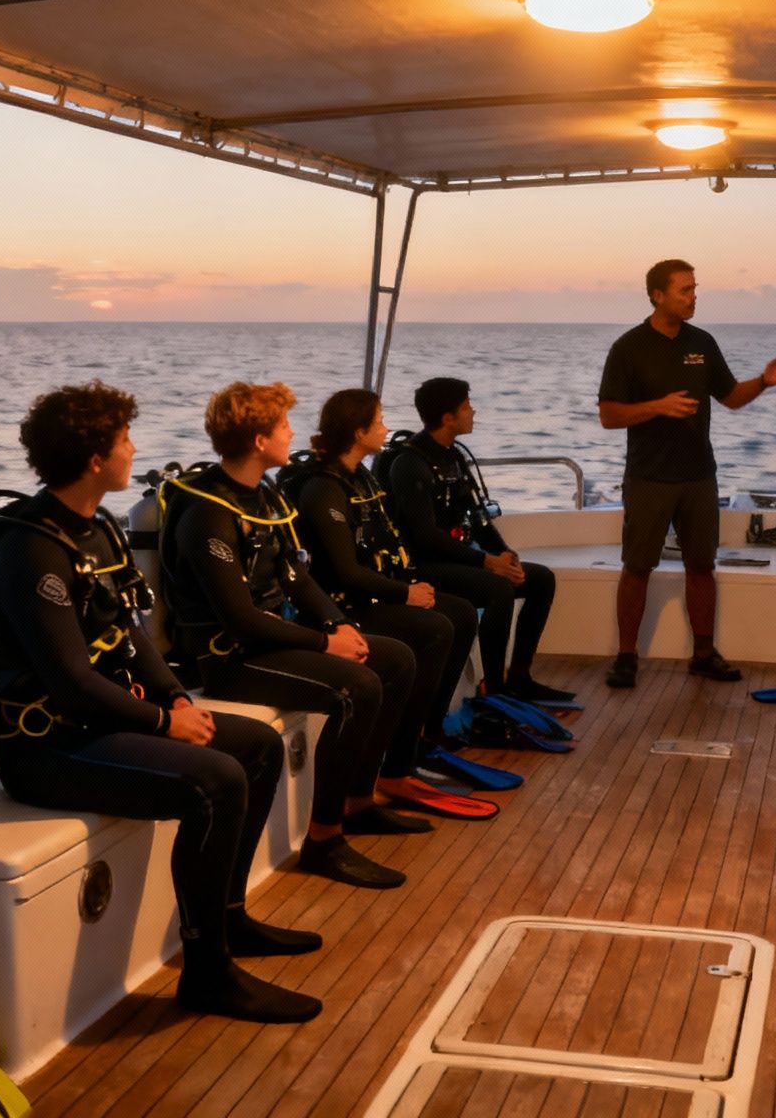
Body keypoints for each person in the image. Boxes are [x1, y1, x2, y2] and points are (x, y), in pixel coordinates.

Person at [0, 381, 321, 1024]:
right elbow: (70, 679)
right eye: (124, 440)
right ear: (97, 457)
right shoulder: (31, 550)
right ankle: (207, 974)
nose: (133, 450)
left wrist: (178, 699)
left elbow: (128, 635)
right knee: (215, 781)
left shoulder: (95, 531)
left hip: (101, 725)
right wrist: (162, 722)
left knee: (257, 748)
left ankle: (230, 922)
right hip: (46, 748)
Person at [159, 381, 421, 892]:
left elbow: (296, 575)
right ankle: (325, 839)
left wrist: (337, 623)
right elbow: (239, 620)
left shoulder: (266, 495)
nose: (293, 432)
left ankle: (360, 800)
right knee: (358, 686)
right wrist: (326, 644)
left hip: (270, 641)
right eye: (282, 425)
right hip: (229, 657)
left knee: (396, 659)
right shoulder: (207, 513)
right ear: (259, 439)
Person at [597, 259, 776, 688]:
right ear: (657, 295)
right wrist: (657, 407)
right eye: (685, 290)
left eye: (695, 289)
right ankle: (626, 657)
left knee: (701, 566)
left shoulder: (702, 343)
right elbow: (609, 415)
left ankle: (704, 654)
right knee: (637, 568)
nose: (694, 297)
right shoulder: (629, 348)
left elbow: (729, 397)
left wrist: (762, 382)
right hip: (649, 477)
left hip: (698, 476)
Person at [288, 388, 490, 817]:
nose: (385, 428)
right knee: (434, 629)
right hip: (342, 609)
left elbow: (385, 548)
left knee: (455, 612)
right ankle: (395, 766)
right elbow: (344, 572)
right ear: (359, 432)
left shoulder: (361, 477)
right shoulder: (323, 489)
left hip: (372, 593)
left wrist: (412, 584)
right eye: (378, 422)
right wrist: (405, 593)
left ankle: (420, 741)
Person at [381, 377, 571, 703]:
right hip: (423, 565)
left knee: (540, 579)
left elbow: (478, 517)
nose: (473, 412)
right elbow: (425, 537)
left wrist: (505, 555)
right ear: (448, 418)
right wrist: (487, 562)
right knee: (497, 589)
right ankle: (493, 690)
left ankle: (520, 677)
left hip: (459, 558)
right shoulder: (409, 464)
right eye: (467, 406)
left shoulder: (453, 456)